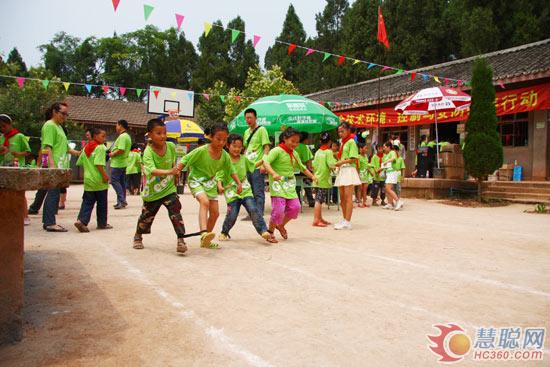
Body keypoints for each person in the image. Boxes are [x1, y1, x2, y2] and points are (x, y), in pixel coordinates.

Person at [178, 124, 242, 249]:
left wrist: (239, 183)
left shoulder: (224, 155)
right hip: (196, 180)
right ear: (211, 137)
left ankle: (205, 240)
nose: (221, 142)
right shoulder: (201, 151)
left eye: (224, 140)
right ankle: (203, 233)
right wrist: (176, 170)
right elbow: (185, 160)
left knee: (215, 213)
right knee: (204, 202)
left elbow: (231, 170)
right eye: (218, 139)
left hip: (210, 183)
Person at [133, 119, 187, 254]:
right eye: (158, 133)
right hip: (153, 192)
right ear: (150, 135)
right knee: (146, 217)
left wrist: (175, 178)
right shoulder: (148, 152)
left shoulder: (170, 146)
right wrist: (170, 172)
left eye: (164, 133)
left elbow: (173, 164)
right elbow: (151, 170)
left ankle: (181, 239)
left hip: (169, 189)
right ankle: (138, 235)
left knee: (176, 212)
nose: (163, 136)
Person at [218, 134, 277, 244]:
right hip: (232, 193)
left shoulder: (244, 159)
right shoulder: (224, 161)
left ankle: (263, 231)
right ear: (227, 145)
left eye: (239, 147)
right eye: (234, 146)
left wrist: (264, 160)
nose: (237, 149)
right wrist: (220, 186)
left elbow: (253, 165)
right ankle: (224, 232)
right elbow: (219, 176)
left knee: (253, 209)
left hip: (246, 191)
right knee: (232, 215)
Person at [263, 127, 317, 240]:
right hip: (277, 186)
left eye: (297, 142)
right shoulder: (276, 151)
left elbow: (303, 168)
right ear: (284, 138)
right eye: (292, 141)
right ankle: (270, 231)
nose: (295, 144)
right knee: (278, 210)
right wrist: (273, 173)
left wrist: (312, 176)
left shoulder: (294, 154)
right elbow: (266, 162)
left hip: (289, 186)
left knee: (295, 207)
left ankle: (281, 225)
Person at [40, 102, 80, 232]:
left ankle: (49, 220)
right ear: (54, 112)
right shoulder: (49, 126)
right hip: (54, 165)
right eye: (63, 113)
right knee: (52, 194)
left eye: (66, 114)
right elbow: (47, 146)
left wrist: (81, 153)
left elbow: (67, 148)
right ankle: (49, 222)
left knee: (54, 194)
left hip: (61, 165)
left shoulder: (60, 127)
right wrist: (52, 166)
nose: (65, 116)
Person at [74, 128, 112, 232]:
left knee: (87, 202)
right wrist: (105, 175)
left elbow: (79, 162)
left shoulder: (86, 147)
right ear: (95, 136)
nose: (105, 139)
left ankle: (82, 221)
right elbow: (99, 164)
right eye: (102, 136)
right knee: (102, 203)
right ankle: (102, 223)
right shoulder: (100, 148)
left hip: (88, 180)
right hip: (99, 180)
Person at [0, 114, 31, 225]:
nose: (2, 129)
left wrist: (18, 153)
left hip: (17, 167)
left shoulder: (19, 136)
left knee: (19, 193)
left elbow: (28, 151)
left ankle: (25, 216)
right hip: (4, 167)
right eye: (0, 127)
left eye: (4, 126)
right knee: (5, 192)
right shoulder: (1, 138)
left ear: (10, 124)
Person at [333, 122, 361, 230]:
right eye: (339, 131)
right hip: (343, 169)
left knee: (348, 197)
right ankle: (344, 219)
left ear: (348, 130)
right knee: (343, 197)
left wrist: (340, 162)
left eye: (342, 131)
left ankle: (348, 221)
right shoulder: (343, 143)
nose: (340, 133)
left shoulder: (351, 142)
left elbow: (354, 158)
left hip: (348, 169)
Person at [242, 108, 270, 216]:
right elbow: (245, 149)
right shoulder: (245, 132)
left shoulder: (262, 130)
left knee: (258, 192)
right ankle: (252, 213)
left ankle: (259, 215)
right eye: (246, 118)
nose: (248, 120)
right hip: (247, 166)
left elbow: (266, 148)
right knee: (249, 191)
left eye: (250, 118)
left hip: (258, 167)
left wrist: (264, 164)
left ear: (255, 118)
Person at [311, 132, 336, 227]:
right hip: (324, 180)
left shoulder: (317, 152)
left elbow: (314, 166)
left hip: (317, 178)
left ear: (320, 141)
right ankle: (316, 220)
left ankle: (319, 218)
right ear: (329, 142)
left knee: (318, 199)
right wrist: (338, 163)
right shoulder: (329, 152)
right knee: (319, 200)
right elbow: (331, 165)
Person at [109, 119, 132, 209]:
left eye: (116, 125)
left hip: (118, 163)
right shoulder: (127, 136)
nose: (116, 127)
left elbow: (121, 150)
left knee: (114, 181)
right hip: (123, 162)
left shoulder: (123, 137)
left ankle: (122, 200)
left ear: (120, 125)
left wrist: (112, 154)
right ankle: (121, 201)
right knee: (121, 183)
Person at [379, 141, 403, 210]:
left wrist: (386, 162)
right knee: (387, 188)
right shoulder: (387, 154)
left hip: (392, 172)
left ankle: (398, 201)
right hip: (389, 172)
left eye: (384, 147)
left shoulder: (392, 152)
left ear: (389, 147)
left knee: (388, 189)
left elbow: (393, 159)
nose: (383, 148)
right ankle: (390, 203)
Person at [294, 132, 315, 208]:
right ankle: (310, 200)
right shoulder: (304, 147)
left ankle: (298, 201)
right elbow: (307, 161)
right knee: (307, 183)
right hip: (301, 170)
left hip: (293, 170)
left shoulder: (294, 146)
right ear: (305, 140)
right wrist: (310, 169)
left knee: (297, 186)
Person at [358, 143, 373, 208]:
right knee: (360, 189)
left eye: (367, 148)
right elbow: (357, 167)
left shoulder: (366, 156)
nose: (366, 149)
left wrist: (371, 172)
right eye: (365, 148)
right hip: (360, 174)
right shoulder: (358, 157)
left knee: (365, 189)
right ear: (361, 149)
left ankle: (364, 202)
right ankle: (359, 202)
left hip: (366, 175)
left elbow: (367, 166)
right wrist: (358, 175)